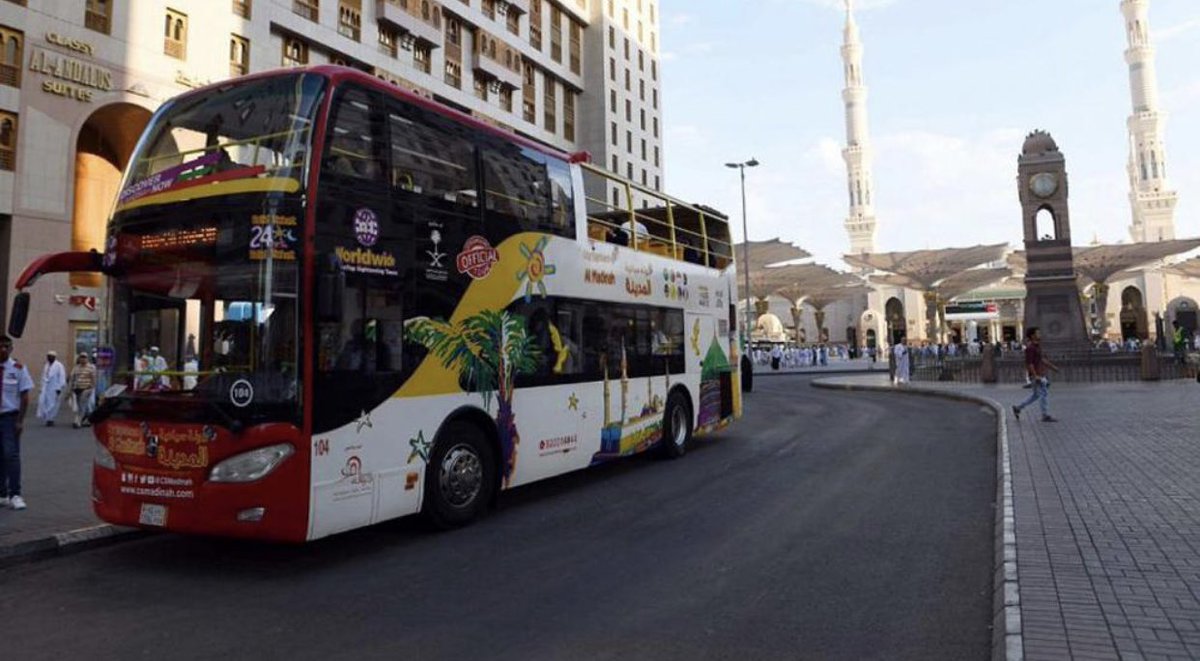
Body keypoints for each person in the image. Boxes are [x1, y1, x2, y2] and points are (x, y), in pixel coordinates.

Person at [0, 335, 34, 510]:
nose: (3, 349)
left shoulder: (18, 368)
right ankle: (2, 494)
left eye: (6, 346)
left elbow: (25, 396)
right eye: (0, 346)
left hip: (9, 418)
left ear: (11, 349)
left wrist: (20, 421)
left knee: (11, 455)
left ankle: (15, 494)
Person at [1013, 327, 1060, 423]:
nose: (1040, 335)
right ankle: (1045, 415)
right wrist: (1035, 376)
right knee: (1043, 394)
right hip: (1037, 375)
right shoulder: (1030, 348)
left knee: (1036, 395)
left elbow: (1042, 359)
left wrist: (1053, 367)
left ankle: (1018, 408)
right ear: (1032, 336)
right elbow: (1029, 363)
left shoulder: (1037, 347)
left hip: (1040, 374)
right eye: (1038, 333)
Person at [36, 350, 66, 426]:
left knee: (54, 403)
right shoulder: (46, 365)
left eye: (51, 356)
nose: (49, 358)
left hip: (55, 388)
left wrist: (59, 388)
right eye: (48, 356)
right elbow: (43, 376)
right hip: (46, 387)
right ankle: (47, 418)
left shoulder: (59, 365)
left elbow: (62, 377)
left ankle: (51, 419)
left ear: (54, 357)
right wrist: (41, 386)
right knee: (44, 402)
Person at [69, 353, 97, 429]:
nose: (83, 359)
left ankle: (78, 421)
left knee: (82, 404)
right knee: (80, 405)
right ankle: (87, 418)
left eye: (84, 357)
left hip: (87, 389)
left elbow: (93, 378)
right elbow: (72, 378)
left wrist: (92, 387)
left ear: (87, 358)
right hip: (77, 389)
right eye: (81, 357)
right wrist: (70, 389)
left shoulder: (91, 367)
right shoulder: (76, 368)